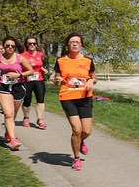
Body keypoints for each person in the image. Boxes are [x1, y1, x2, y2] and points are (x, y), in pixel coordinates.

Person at [53, 33, 97, 171]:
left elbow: (94, 78)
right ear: (67, 44)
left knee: (87, 131)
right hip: (68, 98)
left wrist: (91, 81)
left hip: (85, 98)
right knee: (77, 130)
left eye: (77, 42)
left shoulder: (88, 61)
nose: (74, 44)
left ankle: (81, 141)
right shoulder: (61, 61)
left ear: (81, 45)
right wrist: (57, 81)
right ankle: (76, 158)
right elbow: (56, 80)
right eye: (71, 42)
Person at [0, 36, 35, 151]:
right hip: (3, 86)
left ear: (15, 47)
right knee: (8, 114)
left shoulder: (20, 58)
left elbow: (30, 71)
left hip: (18, 87)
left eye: (12, 46)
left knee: (13, 114)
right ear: (4, 46)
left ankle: (8, 133)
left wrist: (19, 75)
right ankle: (13, 139)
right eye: (7, 45)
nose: (10, 48)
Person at [20, 36, 49, 129]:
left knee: (40, 99)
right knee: (27, 101)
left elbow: (39, 66)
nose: (32, 45)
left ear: (36, 44)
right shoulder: (22, 55)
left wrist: (43, 69)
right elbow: (19, 67)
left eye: (34, 43)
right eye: (30, 43)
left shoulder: (40, 54)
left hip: (38, 79)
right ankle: (26, 118)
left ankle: (40, 119)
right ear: (26, 45)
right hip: (26, 80)